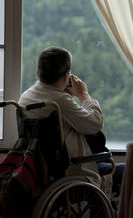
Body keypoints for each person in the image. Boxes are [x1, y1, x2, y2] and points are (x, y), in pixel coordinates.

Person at [19, 46, 125, 199]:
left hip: (41, 172)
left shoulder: (26, 97)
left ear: (38, 73)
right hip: (71, 171)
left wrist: (64, 94)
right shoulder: (59, 101)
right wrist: (84, 96)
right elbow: (95, 124)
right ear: (66, 76)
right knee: (128, 170)